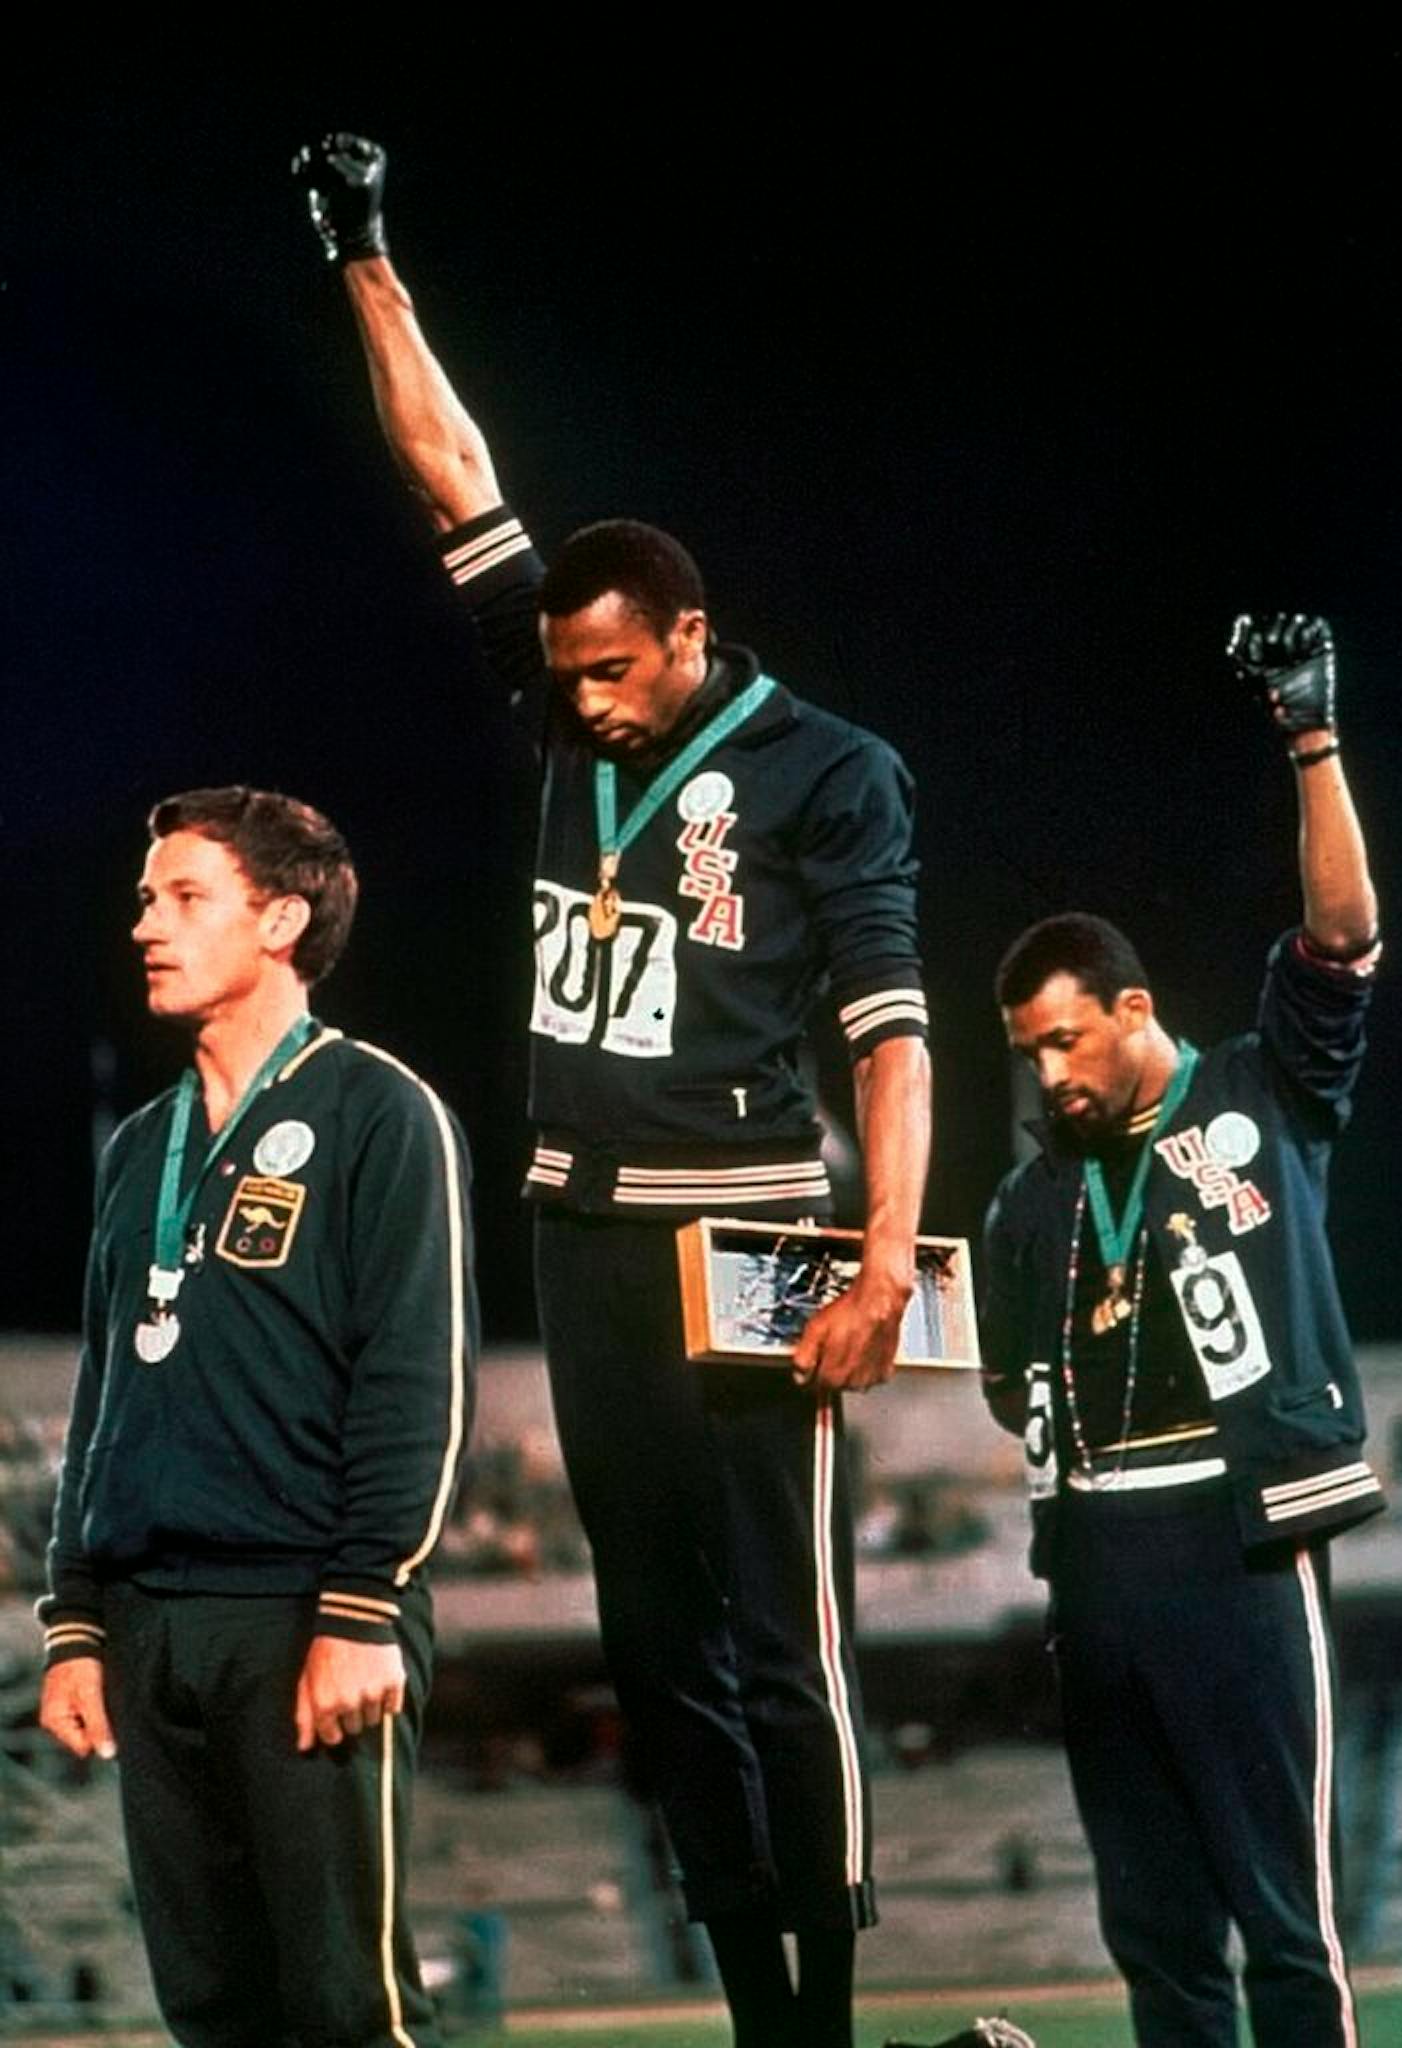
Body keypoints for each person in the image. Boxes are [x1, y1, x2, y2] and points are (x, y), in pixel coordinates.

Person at [294, 135, 933, 2048]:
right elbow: (455, 479)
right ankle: (753, 2013)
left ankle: (824, 2012)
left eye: (602, 674)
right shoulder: (565, 686)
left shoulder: (830, 771)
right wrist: (365, 257)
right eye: (556, 675)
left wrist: (882, 1254)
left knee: (783, 1648)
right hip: (581, 1232)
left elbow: (889, 1029)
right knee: (659, 1658)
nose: (570, 703)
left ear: (681, 636)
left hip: (746, 1237)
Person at [980, 615, 1382, 2048]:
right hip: (1089, 1560)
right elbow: (995, 1382)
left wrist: (1311, 737)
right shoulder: (1028, 1202)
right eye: (1028, 1049)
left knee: (1283, 1921)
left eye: (1066, 1040)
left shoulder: (1257, 1096)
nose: (1048, 1071)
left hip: (1236, 1538)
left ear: (1134, 1010)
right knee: (1153, 1934)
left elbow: (1341, 941)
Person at [38, 786, 477, 2048]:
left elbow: (413, 1379)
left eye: (184, 897)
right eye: (143, 898)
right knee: (214, 2011)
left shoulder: (379, 1113)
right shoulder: (139, 1149)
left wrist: (361, 1604)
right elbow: (103, 1393)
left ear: (281, 918)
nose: (145, 926)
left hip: (302, 1616)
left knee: (349, 2009)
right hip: (145, 1623)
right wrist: (75, 1620)